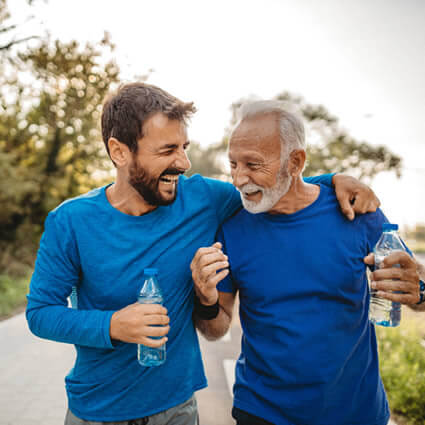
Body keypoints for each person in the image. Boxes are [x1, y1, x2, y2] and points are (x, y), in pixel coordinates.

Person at [26, 83, 380, 425]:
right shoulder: (70, 221)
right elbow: (40, 313)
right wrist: (112, 325)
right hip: (96, 408)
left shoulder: (204, 200)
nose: (184, 162)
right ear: (119, 152)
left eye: (184, 146)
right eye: (167, 150)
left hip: (176, 409)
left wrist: (335, 180)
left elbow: (276, 185)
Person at [191, 101, 425, 425]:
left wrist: (420, 290)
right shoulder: (231, 229)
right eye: (233, 164)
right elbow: (216, 328)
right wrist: (205, 300)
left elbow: (416, 291)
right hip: (261, 413)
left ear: (296, 161)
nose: (239, 178)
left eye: (253, 165)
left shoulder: (356, 212)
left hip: (357, 413)